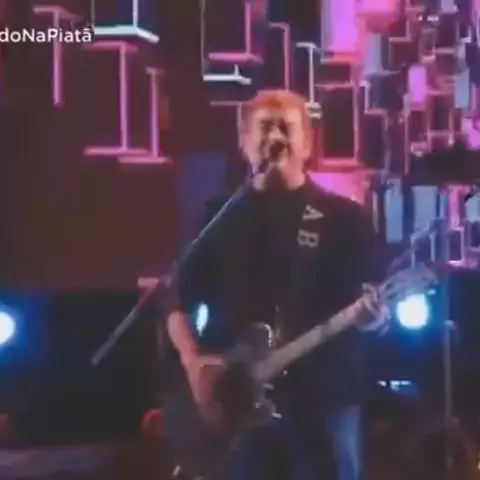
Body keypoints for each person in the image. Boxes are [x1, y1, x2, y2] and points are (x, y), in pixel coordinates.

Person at [162, 89, 389, 480]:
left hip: (322, 401)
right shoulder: (218, 217)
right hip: (235, 401)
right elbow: (175, 297)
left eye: (286, 127)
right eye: (265, 127)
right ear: (244, 141)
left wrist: (375, 318)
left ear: (307, 144)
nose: (275, 136)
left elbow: (376, 311)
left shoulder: (344, 219)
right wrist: (194, 362)